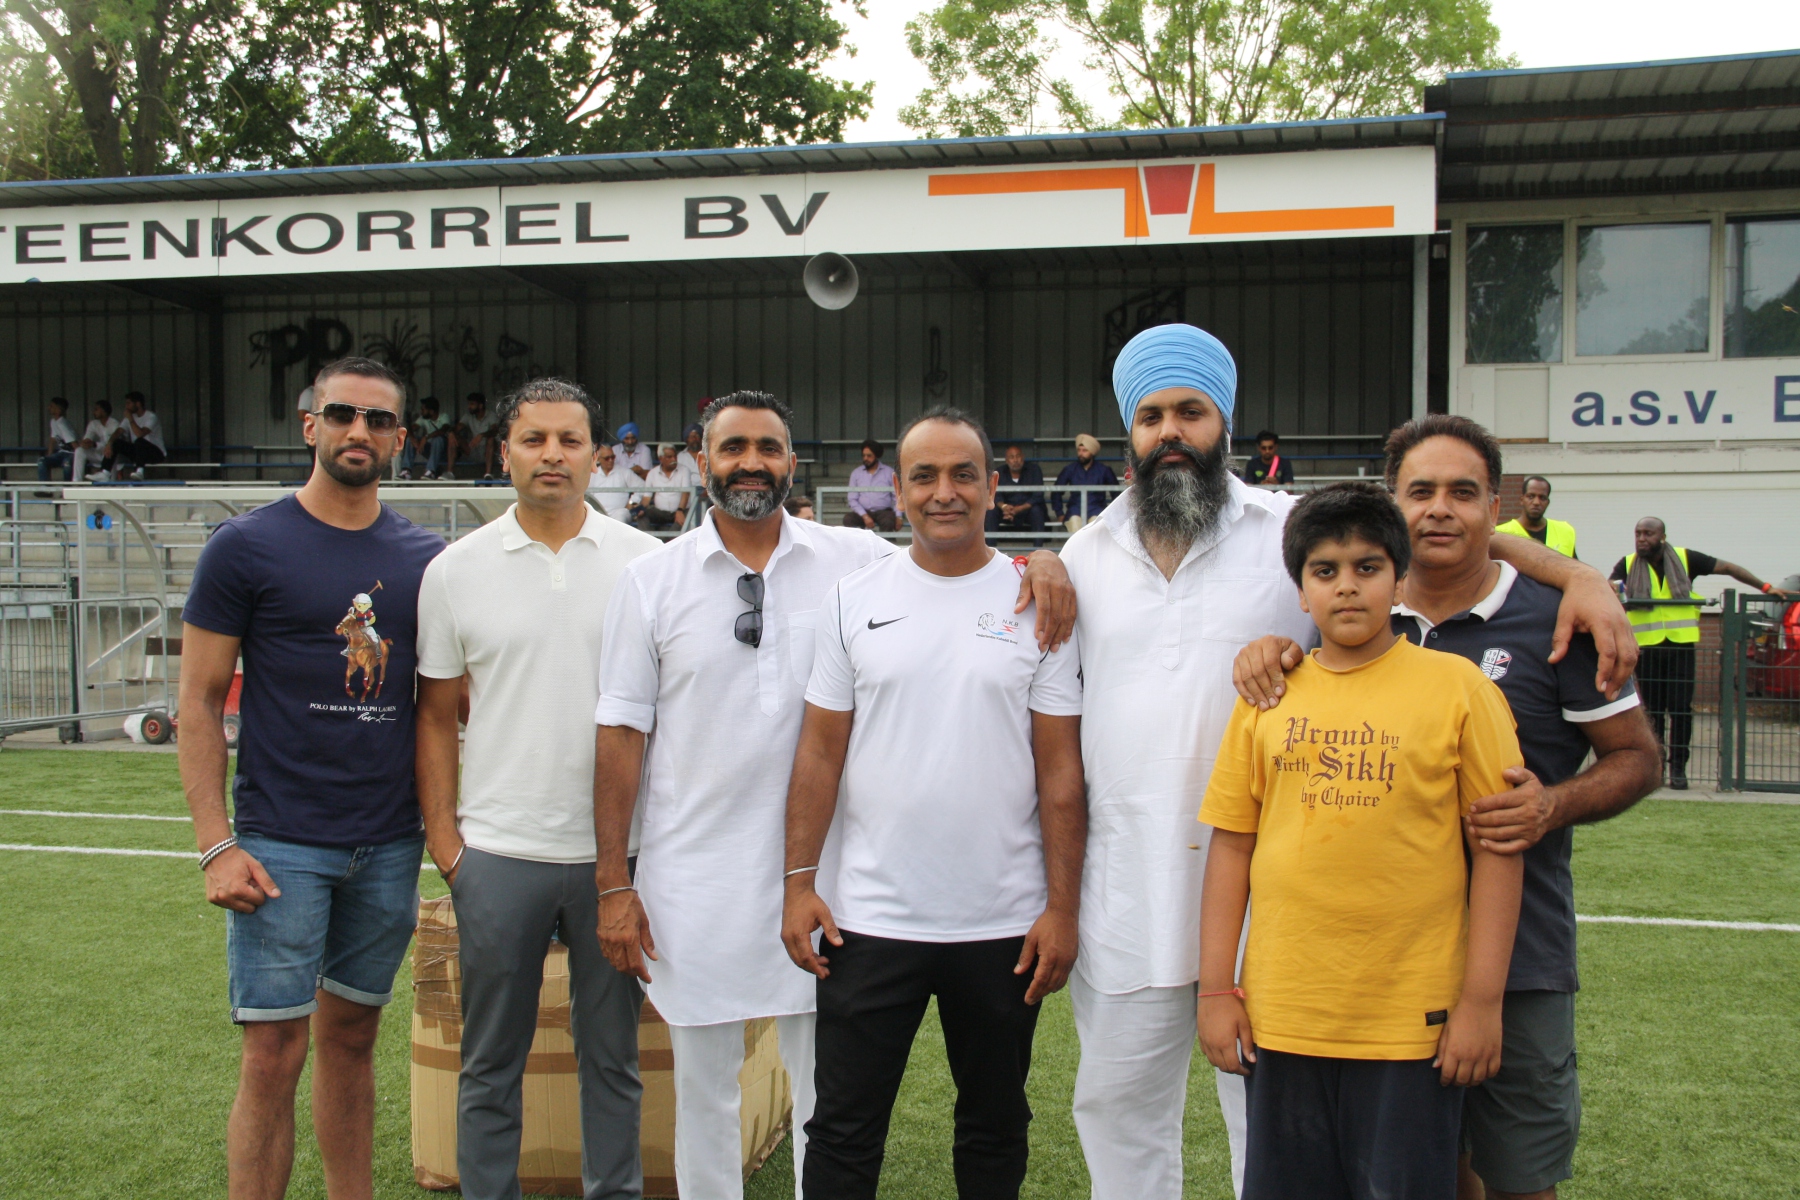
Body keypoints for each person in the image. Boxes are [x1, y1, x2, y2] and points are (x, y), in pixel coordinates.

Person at [1059, 322, 1638, 1200]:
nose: (1171, 431)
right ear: (1127, 433)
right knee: (1116, 1112)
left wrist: (1581, 575)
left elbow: (1427, 536)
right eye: (1150, 416)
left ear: (1225, 422)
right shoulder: (1082, 553)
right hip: (1128, 893)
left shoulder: (1287, 529)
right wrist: (1038, 561)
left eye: (1191, 411)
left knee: (1272, 1132)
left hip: (1277, 917)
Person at [594, 391, 1074, 1200]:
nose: (752, 463)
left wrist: (1047, 561)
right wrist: (614, 881)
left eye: (769, 448)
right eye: (734, 448)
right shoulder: (650, 581)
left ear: (793, 463)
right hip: (697, 874)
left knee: (829, 1102)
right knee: (706, 1090)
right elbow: (619, 735)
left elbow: (959, 558)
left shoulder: (854, 559)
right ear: (702, 462)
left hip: (835, 884)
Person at [1236, 416, 1662, 1200]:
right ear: (1392, 505)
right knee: (1432, 1172)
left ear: (1495, 508)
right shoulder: (1356, 604)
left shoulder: (1557, 617)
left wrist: (1550, 805)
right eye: (1420, 491)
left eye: (1463, 492)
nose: (1439, 508)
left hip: (1519, 956)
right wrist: (1270, 650)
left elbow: (1639, 759)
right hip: (1384, 973)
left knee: (1519, 1175)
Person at [782, 406, 1085, 1200]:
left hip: (1003, 923)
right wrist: (797, 882)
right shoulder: (852, 598)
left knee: (994, 1124)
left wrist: (1062, 907)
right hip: (867, 919)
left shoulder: (1040, 602)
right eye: (924, 476)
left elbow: (1060, 772)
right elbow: (819, 752)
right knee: (842, 1130)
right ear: (897, 491)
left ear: (992, 487)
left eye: (962, 474)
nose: (943, 492)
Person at [1199, 481, 1525, 1200]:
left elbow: (1499, 851)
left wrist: (1481, 1003)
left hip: (1412, 1024)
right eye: (1325, 570)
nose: (1347, 586)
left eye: (1367, 567)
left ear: (1400, 579)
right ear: (1301, 590)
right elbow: (1231, 848)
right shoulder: (1267, 698)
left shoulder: (1461, 689)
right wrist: (1217, 989)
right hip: (1283, 1018)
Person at [176, 356, 443, 1200]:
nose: (358, 431)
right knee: (271, 1053)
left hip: (389, 844)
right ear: (310, 426)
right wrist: (215, 844)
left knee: (354, 1041)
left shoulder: (428, 560)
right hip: (279, 844)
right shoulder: (245, 546)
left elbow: (448, 705)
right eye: (341, 415)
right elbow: (198, 701)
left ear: (400, 438)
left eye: (377, 420)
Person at [415, 378, 662, 1200]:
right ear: (506, 453)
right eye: (534, 439)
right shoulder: (454, 571)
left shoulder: (646, 564)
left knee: (613, 1059)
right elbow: (434, 716)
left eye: (569, 439)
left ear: (598, 455)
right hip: (498, 854)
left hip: (616, 862)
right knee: (489, 1062)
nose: (552, 454)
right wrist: (448, 845)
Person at [1610, 519, 1791, 789]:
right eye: (1638, 533)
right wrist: (1611, 592)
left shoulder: (1685, 559)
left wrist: (1765, 588)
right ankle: (1656, 767)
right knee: (1653, 711)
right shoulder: (1627, 564)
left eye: (1648, 533)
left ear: (1662, 537)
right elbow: (1607, 588)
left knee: (1681, 709)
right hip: (1646, 648)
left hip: (1681, 647)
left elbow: (1728, 568)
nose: (1642, 538)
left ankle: (1678, 769)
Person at [1495, 476, 1576, 558]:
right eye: (1531, 496)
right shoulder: (1501, 534)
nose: (1536, 502)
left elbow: (1573, 565)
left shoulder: (1565, 531)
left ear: (1548, 503)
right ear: (1522, 500)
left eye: (1542, 498)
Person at [1052, 434, 1116, 533]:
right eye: (1079, 450)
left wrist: (1112, 514)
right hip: (1075, 509)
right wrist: (1059, 513)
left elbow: (1116, 493)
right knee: (1074, 524)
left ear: (1092, 452)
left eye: (1085, 451)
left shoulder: (1104, 470)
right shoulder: (1070, 469)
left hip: (1096, 509)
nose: (1081, 454)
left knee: (1095, 527)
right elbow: (1056, 491)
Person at [100, 391, 167, 481]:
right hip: (138, 452)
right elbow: (118, 431)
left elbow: (140, 434)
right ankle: (105, 473)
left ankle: (140, 471)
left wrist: (131, 419)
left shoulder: (151, 417)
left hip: (156, 453)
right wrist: (109, 443)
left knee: (139, 441)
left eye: (129, 403)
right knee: (116, 442)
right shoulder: (130, 417)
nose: (126, 406)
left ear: (138, 404)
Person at [986, 443, 1047, 538]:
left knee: (1037, 511)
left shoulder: (1034, 470)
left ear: (1023, 457)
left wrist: (1020, 509)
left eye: (1018, 456)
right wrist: (1004, 506)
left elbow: (1038, 495)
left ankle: (1038, 546)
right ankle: (990, 546)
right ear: (1006, 460)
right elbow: (995, 494)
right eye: (1011, 457)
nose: (1015, 460)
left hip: (1027, 510)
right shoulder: (1000, 472)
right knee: (991, 512)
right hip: (1006, 512)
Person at [631, 443, 695, 533]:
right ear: (661, 458)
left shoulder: (684, 470)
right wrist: (641, 509)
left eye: (675, 456)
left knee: (685, 517)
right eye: (669, 457)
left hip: (680, 510)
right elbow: (647, 498)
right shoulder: (652, 473)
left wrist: (680, 510)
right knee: (642, 514)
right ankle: (648, 539)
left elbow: (686, 493)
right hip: (660, 513)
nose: (674, 459)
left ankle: (665, 541)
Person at [842, 438, 898, 532]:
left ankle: (886, 541)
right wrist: (865, 516)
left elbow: (897, 496)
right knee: (848, 519)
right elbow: (852, 499)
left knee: (888, 521)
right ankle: (857, 541)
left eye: (869, 456)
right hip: (863, 511)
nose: (865, 458)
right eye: (863, 455)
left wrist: (899, 516)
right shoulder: (856, 473)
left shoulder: (889, 472)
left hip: (884, 512)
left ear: (876, 456)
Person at [447, 392, 498, 480]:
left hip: (488, 452)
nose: (469, 407)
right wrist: (451, 432)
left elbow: (495, 431)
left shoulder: (491, 415)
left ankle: (488, 474)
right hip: (473, 449)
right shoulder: (468, 416)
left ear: (480, 406)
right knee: (454, 437)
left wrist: (482, 435)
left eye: (472, 404)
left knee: (491, 439)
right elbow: (457, 428)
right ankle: (449, 473)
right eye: (469, 404)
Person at [399, 395, 451, 480]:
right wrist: (413, 439)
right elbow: (410, 429)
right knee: (409, 439)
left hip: (445, 452)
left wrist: (426, 437)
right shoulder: (423, 419)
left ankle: (430, 471)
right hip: (431, 450)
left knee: (438, 439)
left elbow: (443, 430)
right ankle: (406, 471)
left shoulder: (444, 416)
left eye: (423, 410)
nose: (421, 411)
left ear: (431, 411)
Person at [589, 442, 639, 522]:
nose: (610, 460)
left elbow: (642, 487)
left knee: (621, 515)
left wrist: (631, 502)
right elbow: (587, 495)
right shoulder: (593, 475)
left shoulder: (624, 472)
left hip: (619, 513)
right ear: (598, 459)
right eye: (607, 458)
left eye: (613, 457)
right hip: (598, 513)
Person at [73, 399, 118, 482]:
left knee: (111, 451)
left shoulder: (114, 423)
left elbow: (113, 445)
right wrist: (85, 443)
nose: (94, 412)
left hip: (111, 455)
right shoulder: (93, 424)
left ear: (104, 411)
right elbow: (87, 439)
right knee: (79, 450)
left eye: (96, 409)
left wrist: (95, 444)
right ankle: (76, 481)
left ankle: (108, 478)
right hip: (98, 453)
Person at [38, 396, 76, 482]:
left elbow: (75, 445)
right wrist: (49, 456)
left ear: (59, 410)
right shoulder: (53, 422)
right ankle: (45, 487)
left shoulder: (63, 424)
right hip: (62, 453)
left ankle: (67, 487)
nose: (49, 408)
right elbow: (53, 439)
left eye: (51, 406)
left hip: (72, 453)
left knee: (67, 464)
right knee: (42, 461)